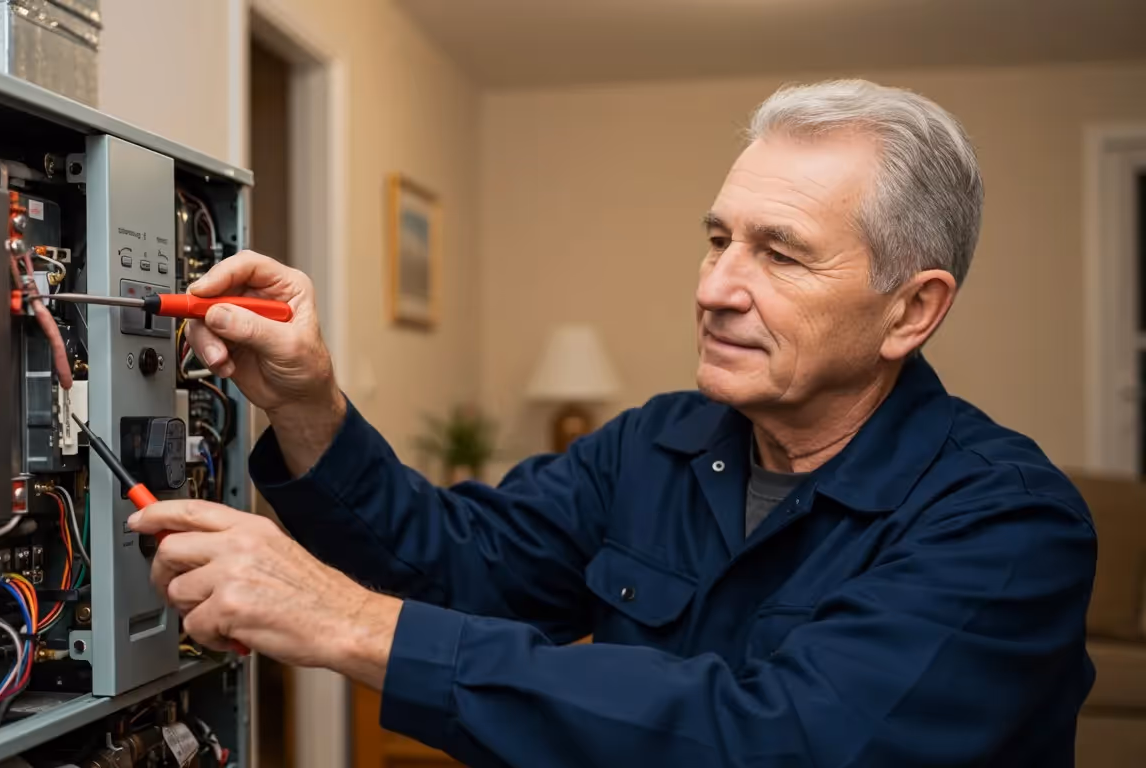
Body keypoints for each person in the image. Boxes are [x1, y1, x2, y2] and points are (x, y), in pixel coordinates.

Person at [129, 79, 1097, 766]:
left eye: (781, 256)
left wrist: (347, 623)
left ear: (911, 310)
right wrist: (307, 403)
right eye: (718, 240)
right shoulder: (655, 442)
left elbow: (785, 741)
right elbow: (456, 565)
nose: (715, 288)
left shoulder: (1006, 524)